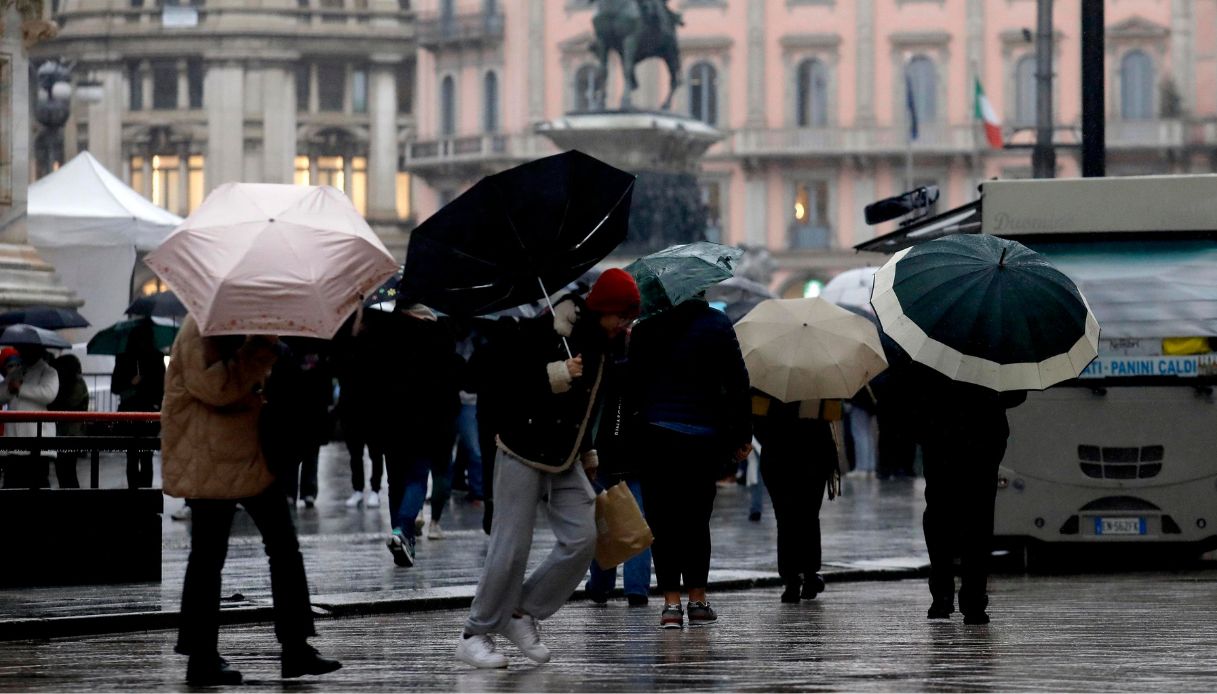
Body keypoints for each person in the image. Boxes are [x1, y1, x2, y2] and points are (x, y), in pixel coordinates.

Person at [455, 269, 640, 669]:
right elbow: (506, 383)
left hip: (566, 454)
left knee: (583, 536)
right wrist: (555, 374)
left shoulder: (605, 345)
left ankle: (523, 612)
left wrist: (589, 453)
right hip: (523, 446)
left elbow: (589, 405)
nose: (626, 323)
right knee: (511, 547)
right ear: (605, 309)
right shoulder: (547, 330)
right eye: (623, 314)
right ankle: (475, 632)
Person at [162, 316, 341, 686]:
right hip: (210, 458)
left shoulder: (244, 327)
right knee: (208, 557)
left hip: (249, 456)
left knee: (284, 547)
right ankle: (201, 656)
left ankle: (296, 647)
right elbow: (217, 388)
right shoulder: (200, 330)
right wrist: (259, 353)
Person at [628, 293, 752, 629]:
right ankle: (697, 600)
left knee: (662, 520)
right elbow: (738, 382)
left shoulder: (645, 328)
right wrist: (742, 434)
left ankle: (670, 605)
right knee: (697, 519)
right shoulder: (717, 323)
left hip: (656, 435)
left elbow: (632, 385)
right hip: (703, 436)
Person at [914, 365, 1026, 625]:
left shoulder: (934, 348)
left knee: (940, 515)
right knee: (978, 519)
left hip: (941, 438)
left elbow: (914, 392)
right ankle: (973, 600)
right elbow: (1016, 395)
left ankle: (943, 595)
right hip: (980, 439)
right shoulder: (996, 346)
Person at [382, 301, 462, 565]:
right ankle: (403, 530)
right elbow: (451, 379)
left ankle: (405, 541)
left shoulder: (386, 333)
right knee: (417, 476)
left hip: (392, 419)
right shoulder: (440, 335)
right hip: (428, 422)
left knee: (396, 481)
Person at [752, 393, 839, 603]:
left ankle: (791, 579)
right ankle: (809, 574)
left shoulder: (765, 382)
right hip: (814, 454)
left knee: (785, 518)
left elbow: (757, 422)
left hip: (778, 457)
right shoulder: (822, 381)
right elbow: (833, 414)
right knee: (809, 516)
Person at [584, 341, 651, 607]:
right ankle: (637, 588)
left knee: (602, 521)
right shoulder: (647, 375)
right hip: (636, 459)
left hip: (603, 457)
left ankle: (600, 585)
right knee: (637, 523)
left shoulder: (602, 372)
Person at [262, 338, 333, 508]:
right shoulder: (286, 347)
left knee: (307, 453)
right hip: (293, 407)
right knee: (294, 452)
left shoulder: (317, 345)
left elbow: (325, 375)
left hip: (310, 406)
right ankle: (295, 491)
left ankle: (303, 491)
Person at [332, 314, 386, 509]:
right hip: (351, 409)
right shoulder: (344, 347)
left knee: (375, 453)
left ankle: (375, 490)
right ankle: (358, 489)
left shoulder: (375, 348)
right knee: (355, 453)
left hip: (372, 409)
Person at [111, 317, 165, 488]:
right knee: (138, 455)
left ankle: (139, 492)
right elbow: (116, 386)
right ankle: (140, 492)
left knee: (138, 455)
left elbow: (160, 386)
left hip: (142, 411)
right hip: (139, 412)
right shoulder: (126, 358)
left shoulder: (155, 358)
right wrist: (131, 383)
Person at [0, 344, 59, 489]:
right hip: (14, 441)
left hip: (37, 439)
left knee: (37, 483)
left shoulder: (49, 372)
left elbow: (48, 394)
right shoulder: (16, 372)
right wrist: (10, 389)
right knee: (11, 484)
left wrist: (21, 388)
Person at [48, 353, 88, 488]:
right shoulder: (73, 383)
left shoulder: (76, 384)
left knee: (67, 471)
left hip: (71, 433)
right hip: (69, 432)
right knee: (64, 471)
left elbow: (68, 404)